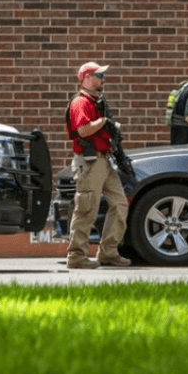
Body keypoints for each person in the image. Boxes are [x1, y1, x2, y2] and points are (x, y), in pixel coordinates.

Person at [64, 61, 131, 270]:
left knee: (120, 204)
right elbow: (83, 130)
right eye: (99, 75)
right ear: (86, 79)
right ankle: (76, 256)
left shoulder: (96, 102)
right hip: (89, 162)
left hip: (104, 160)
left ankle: (109, 252)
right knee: (87, 209)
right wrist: (104, 122)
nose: (103, 79)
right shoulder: (81, 103)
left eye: (102, 76)